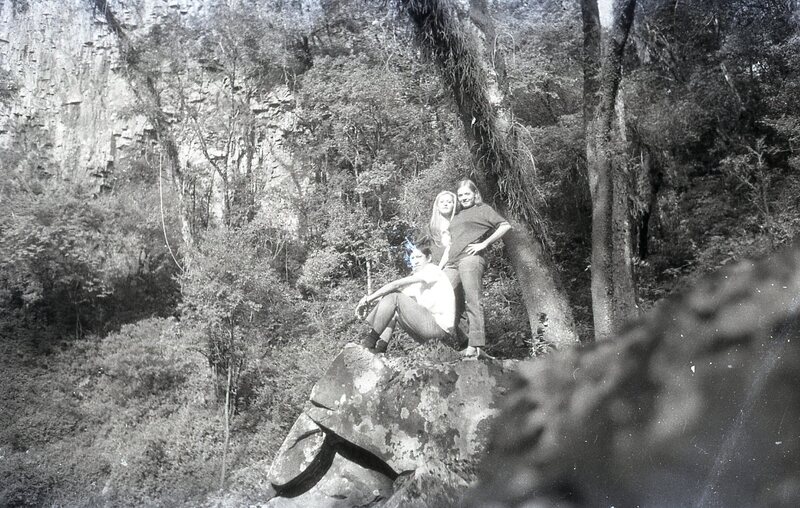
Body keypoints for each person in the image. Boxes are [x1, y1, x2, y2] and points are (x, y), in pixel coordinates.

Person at [444, 179, 511, 358]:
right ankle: (459, 342)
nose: (464, 197)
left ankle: (475, 345)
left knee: (472, 300)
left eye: (467, 194)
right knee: (444, 298)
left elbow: (505, 225)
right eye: (460, 195)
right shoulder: (457, 215)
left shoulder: (483, 209)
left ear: (475, 194)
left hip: (470, 259)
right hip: (452, 262)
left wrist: (484, 243)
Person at [355, 241, 455, 354]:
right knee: (393, 305)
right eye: (412, 258)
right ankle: (379, 350)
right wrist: (369, 302)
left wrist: (368, 300)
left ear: (429, 258)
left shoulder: (432, 270)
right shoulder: (419, 280)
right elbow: (389, 298)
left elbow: (395, 286)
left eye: (419, 257)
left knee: (394, 297)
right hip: (429, 331)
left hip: (441, 332)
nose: (415, 261)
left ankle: (368, 343)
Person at [428, 190, 457, 268]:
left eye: (449, 202)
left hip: (452, 266)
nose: (445, 204)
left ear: (454, 205)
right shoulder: (429, 229)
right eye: (442, 202)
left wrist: (439, 268)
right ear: (437, 206)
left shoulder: (458, 224)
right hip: (434, 267)